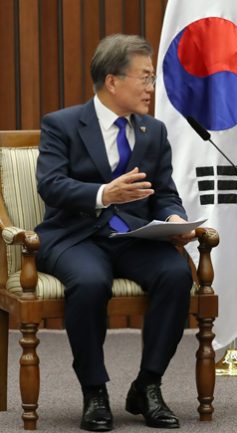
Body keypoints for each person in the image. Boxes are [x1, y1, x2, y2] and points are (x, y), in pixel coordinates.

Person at [36, 34, 196, 431]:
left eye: (151, 78)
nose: (150, 87)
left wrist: (174, 219)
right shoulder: (63, 125)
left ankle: (148, 385)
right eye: (143, 78)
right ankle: (95, 391)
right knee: (90, 282)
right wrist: (104, 193)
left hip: (131, 236)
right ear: (112, 81)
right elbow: (50, 185)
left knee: (176, 274)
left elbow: (164, 194)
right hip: (73, 235)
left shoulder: (153, 132)